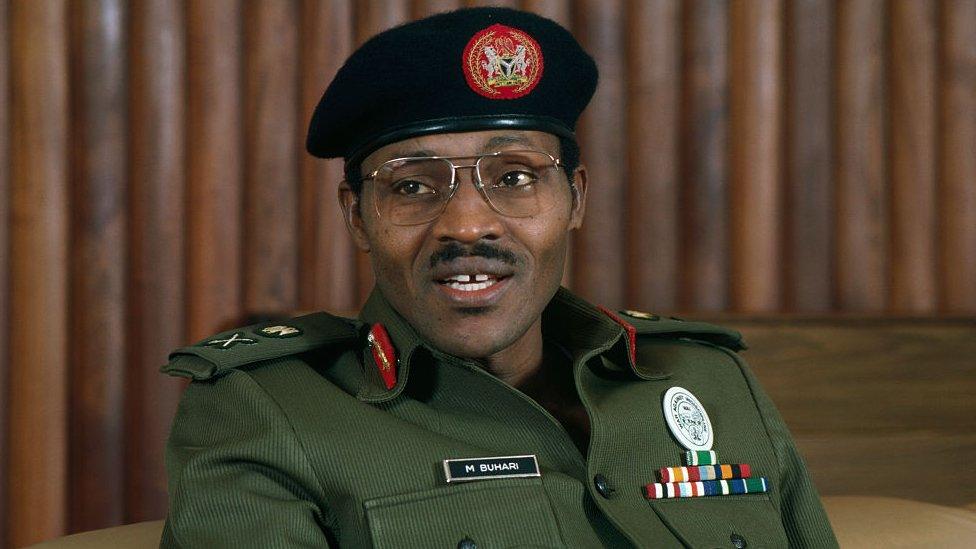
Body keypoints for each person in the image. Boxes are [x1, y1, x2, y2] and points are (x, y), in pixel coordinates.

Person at [160, 7, 837, 548]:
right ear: (359, 218)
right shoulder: (265, 411)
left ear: (576, 199)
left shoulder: (708, 380)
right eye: (413, 186)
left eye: (513, 177)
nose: (466, 224)